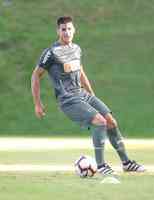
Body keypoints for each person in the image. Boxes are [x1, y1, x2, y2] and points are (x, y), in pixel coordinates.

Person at [31, 16, 145, 176]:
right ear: (58, 31)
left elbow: (81, 72)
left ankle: (127, 163)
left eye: (69, 28)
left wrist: (91, 95)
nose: (67, 32)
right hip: (68, 99)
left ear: (74, 30)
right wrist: (37, 103)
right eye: (63, 29)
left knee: (111, 122)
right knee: (100, 121)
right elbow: (36, 75)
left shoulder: (77, 49)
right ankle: (101, 165)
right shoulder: (51, 53)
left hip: (83, 94)